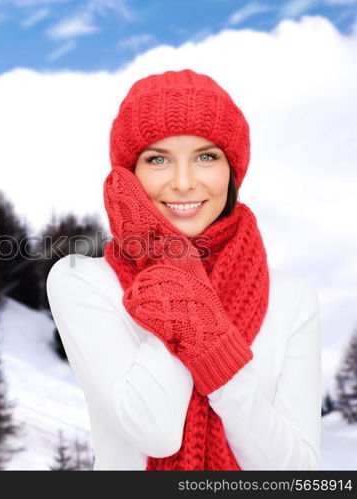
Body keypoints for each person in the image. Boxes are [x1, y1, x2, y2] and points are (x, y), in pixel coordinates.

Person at [46, 69, 321, 471]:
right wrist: (174, 271)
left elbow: (297, 474)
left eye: (206, 157)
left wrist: (215, 351)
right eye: (158, 159)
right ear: (129, 176)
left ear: (232, 171)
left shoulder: (291, 297)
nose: (184, 182)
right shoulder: (81, 281)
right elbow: (154, 431)